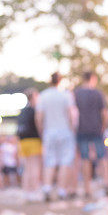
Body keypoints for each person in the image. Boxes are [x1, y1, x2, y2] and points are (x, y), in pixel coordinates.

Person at [36, 72, 77, 201]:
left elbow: (39, 117)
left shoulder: (43, 96)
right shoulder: (66, 95)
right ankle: (61, 190)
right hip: (65, 131)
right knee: (65, 161)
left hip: (49, 131)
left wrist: (41, 131)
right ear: (61, 81)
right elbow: (70, 114)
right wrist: (72, 129)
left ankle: (47, 188)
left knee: (49, 161)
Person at [74, 71, 108, 196]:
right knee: (103, 157)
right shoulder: (97, 93)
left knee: (85, 159)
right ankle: (106, 183)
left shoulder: (77, 93)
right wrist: (104, 126)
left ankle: (87, 188)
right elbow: (104, 113)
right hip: (97, 129)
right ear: (93, 79)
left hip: (82, 129)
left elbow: (73, 112)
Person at [17, 88, 42, 200]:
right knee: (34, 166)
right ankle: (34, 190)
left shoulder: (22, 111)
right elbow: (38, 124)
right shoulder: (34, 110)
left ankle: (26, 191)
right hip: (33, 140)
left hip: (23, 142)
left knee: (27, 167)